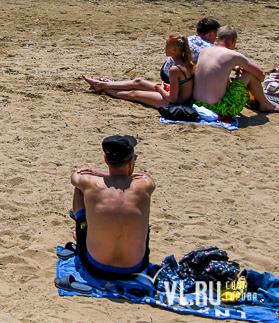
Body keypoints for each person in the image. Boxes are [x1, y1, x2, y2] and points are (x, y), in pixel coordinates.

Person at [70, 135, 154, 280]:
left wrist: (101, 174)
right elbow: (143, 176)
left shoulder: (90, 182)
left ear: (105, 159)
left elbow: (76, 175)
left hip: (95, 266)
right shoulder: (145, 185)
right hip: (135, 269)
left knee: (79, 188)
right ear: (131, 161)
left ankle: (81, 226)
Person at [83, 35, 195, 108]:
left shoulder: (175, 69)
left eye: (167, 45)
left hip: (174, 104)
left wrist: (161, 89)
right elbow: (182, 86)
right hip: (174, 94)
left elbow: (173, 98)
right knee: (138, 82)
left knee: (133, 94)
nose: (164, 47)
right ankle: (102, 84)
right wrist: (166, 86)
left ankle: (102, 87)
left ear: (173, 50)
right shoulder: (187, 63)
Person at [192, 26, 279, 116]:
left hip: (196, 105)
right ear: (233, 40)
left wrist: (236, 74)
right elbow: (261, 76)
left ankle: (265, 103)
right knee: (250, 74)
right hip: (219, 108)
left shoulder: (204, 51)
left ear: (217, 39)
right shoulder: (233, 55)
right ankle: (266, 105)